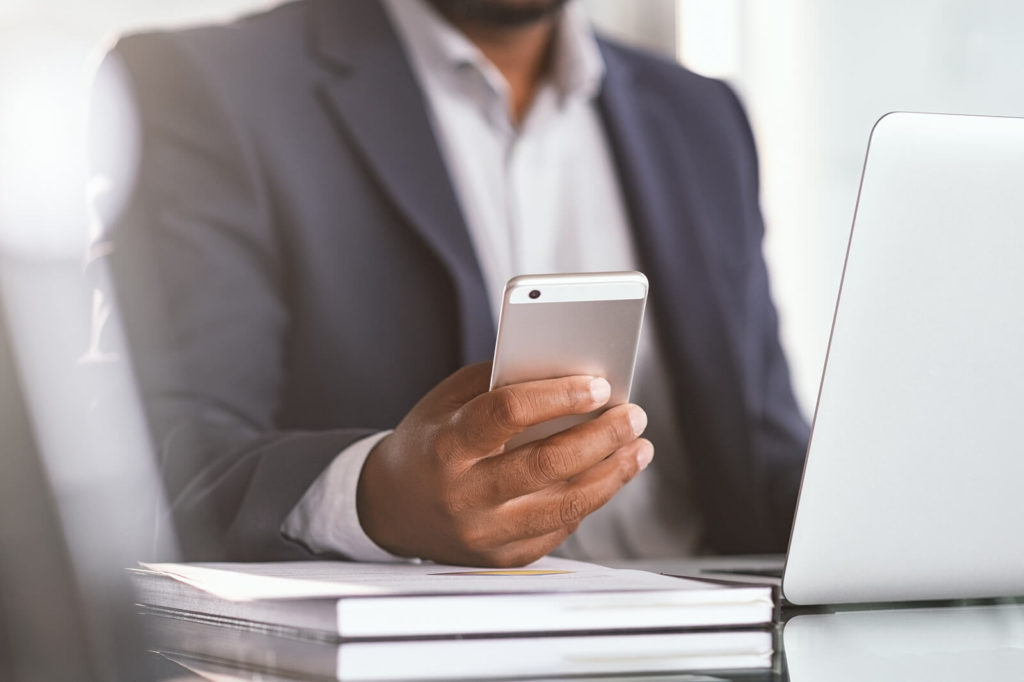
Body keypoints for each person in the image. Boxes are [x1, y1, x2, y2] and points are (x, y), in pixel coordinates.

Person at [106, 0, 809, 566]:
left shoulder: (703, 117)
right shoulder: (204, 85)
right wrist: (372, 498)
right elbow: (168, 455)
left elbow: (763, 451)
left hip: (721, 632)